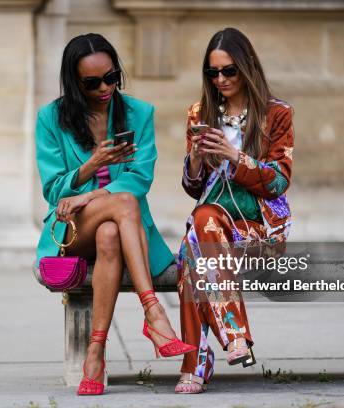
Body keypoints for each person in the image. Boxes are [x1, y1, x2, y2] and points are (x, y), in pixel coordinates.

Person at [35, 33, 196, 396]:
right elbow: (53, 191)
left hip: (120, 230)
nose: (106, 87)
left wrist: (90, 195)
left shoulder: (139, 113)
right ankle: (153, 313)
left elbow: (140, 177)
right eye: (93, 83)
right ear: (74, 83)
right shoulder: (50, 119)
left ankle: (95, 354)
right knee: (123, 204)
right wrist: (92, 165)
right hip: (73, 230)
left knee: (112, 228)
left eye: (112, 77)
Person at [175, 27, 294, 394]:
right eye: (213, 73)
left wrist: (235, 157)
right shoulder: (200, 113)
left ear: (247, 68)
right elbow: (194, 188)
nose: (221, 79)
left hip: (258, 229)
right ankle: (234, 339)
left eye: (229, 71)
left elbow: (278, 182)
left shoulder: (277, 114)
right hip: (212, 226)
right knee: (203, 223)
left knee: (195, 248)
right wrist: (195, 159)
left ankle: (195, 362)